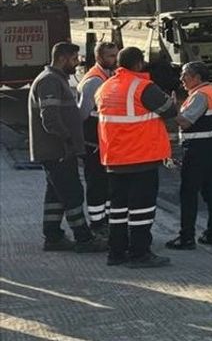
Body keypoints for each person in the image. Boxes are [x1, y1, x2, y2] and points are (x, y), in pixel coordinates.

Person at [97, 46, 179, 268]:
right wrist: (172, 101)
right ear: (138, 64)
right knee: (141, 209)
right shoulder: (142, 86)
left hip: (114, 159)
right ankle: (139, 253)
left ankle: (116, 253)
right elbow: (169, 110)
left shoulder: (105, 87)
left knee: (118, 209)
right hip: (141, 158)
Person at [28, 41, 108, 254]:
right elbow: (50, 119)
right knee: (73, 193)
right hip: (58, 150)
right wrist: (68, 140)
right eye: (74, 59)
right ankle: (84, 238)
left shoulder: (57, 80)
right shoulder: (49, 82)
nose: (78, 62)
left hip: (59, 150)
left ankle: (53, 236)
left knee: (56, 194)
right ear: (62, 58)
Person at [166, 62, 212, 250]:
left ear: (197, 78)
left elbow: (185, 122)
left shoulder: (200, 96)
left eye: (185, 75)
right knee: (210, 189)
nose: (181, 79)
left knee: (188, 192)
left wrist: (169, 110)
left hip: (198, 150)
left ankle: (186, 237)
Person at [77, 41, 118, 233]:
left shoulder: (108, 75)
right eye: (111, 56)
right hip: (93, 142)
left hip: (103, 142)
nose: (115, 59)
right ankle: (97, 223)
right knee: (96, 184)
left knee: (107, 184)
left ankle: (106, 220)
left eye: (116, 55)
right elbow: (83, 114)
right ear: (99, 57)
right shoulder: (94, 81)